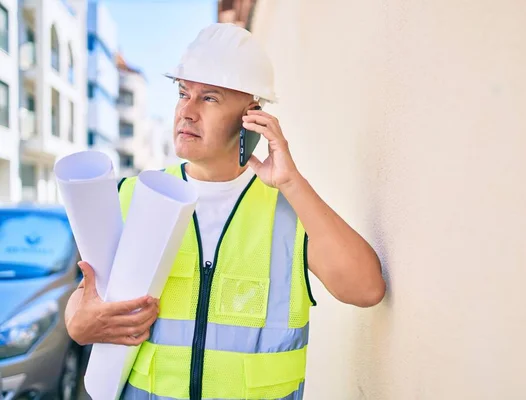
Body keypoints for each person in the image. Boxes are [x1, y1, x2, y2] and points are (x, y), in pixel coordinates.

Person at [65, 22, 385, 399]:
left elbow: (365, 289)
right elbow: (86, 296)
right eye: (183, 93)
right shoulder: (134, 196)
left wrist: (292, 183)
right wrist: (78, 324)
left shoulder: (288, 208)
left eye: (210, 98)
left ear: (251, 116)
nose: (187, 111)